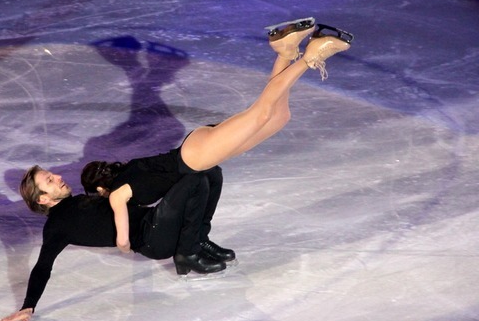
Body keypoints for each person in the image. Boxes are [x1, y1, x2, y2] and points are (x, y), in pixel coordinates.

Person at [80, 17, 353, 258]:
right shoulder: (131, 169)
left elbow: (123, 240)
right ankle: (285, 51)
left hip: (196, 156)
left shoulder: (117, 195)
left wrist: (126, 248)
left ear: (102, 190)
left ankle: (310, 57)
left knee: (261, 113)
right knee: (278, 117)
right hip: (195, 148)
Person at [0, 164, 226, 321]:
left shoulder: (78, 202)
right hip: (153, 235)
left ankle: (198, 240)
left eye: (52, 175)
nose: (58, 176)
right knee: (195, 179)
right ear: (43, 199)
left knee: (211, 172)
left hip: (157, 222)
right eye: (50, 180)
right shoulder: (56, 227)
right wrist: (28, 305)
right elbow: (42, 267)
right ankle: (187, 252)